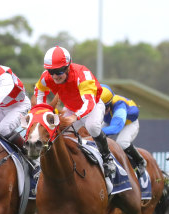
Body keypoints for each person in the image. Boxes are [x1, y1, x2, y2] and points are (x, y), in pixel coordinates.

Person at [34, 46, 115, 179]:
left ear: (68, 67)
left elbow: (88, 103)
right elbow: (40, 91)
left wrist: (75, 117)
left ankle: (107, 159)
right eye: (51, 71)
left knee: (93, 127)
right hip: (71, 108)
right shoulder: (46, 77)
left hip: (92, 106)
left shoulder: (82, 74)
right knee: (53, 133)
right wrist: (41, 110)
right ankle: (42, 166)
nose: (54, 76)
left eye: (59, 71)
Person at [99, 84, 147, 177]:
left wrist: (97, 132)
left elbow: (116, 127)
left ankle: (140, 161)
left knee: (122, 142)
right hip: (111, 121)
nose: (102, 111)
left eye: (105, 107)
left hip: (128, 123)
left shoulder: (119, 104)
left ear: (110, 102)